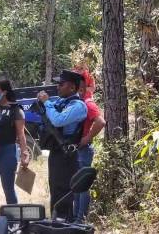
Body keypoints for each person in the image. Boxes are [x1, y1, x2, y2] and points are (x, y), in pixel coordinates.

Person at [37, 70, 87, 221]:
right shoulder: (60, 102)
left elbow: (58, 120)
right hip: (56, 153)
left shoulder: (78, 106)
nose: (57, 87)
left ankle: (64, 224)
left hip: (67, 155)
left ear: (72, 88)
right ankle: (56, 222)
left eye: (61, 84)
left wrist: (46, 102)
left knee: (64, 192)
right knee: (55, 191)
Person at [0, 79, 30, 217]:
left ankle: (14, 222)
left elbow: (21, 135)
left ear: (4, 92)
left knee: (8, 188)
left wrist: (24, 153)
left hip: (7, 151)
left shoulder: (15, 109)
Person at [73, 79, 105, 224]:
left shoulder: (88, 103)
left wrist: (87, 138)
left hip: (84, 149)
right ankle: (75, 217)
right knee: (76, 185)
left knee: (83, 185)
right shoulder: (78, 102)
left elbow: (100, 122)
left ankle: (81, 219)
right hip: (78, 149)